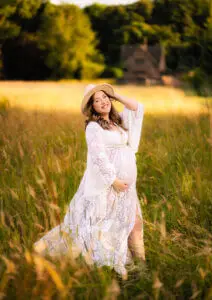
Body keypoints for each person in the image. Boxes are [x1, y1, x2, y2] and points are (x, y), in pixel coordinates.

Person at [33, 83, 145, 279]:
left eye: (105, 98)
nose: (102, 102)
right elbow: (98, 157)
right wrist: (114, 181)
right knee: (108, 226)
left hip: (127, 187)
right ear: (92, 107)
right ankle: (123, 269)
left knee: (135, 223)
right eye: (97, 100)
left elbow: (137, 107)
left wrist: (115, 94)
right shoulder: (93, 128)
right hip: (109, 186)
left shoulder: (117, 122)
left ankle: (142, 268)